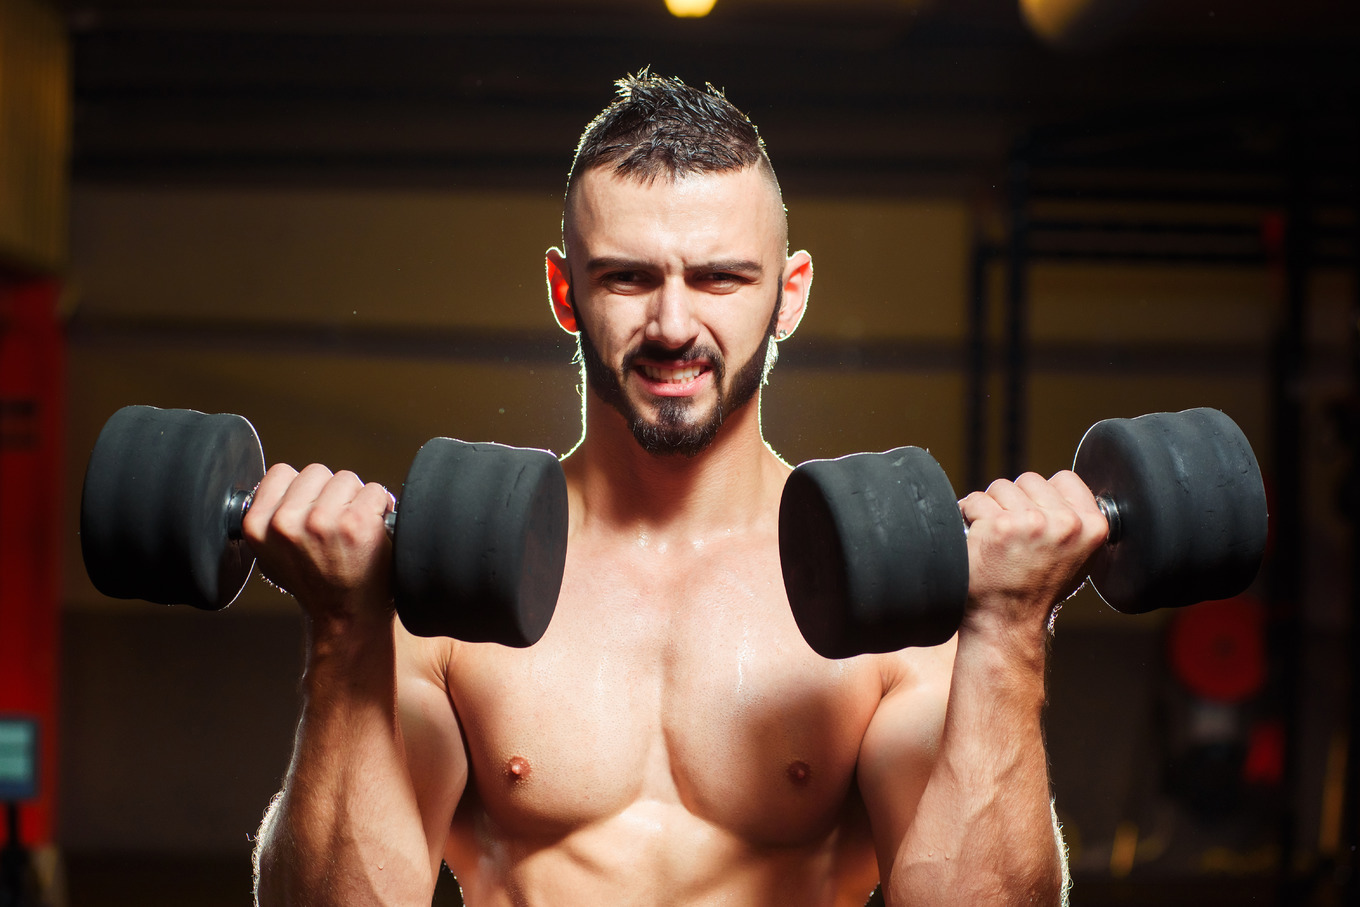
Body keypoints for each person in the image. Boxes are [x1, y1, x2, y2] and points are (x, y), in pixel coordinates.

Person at [248, 71, 1109, 906]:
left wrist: (1008, 629)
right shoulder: (451, 601)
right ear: (565, 291)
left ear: (790, 295)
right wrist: (342, 633)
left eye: (720, 278)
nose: (672, 324)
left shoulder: (881, 609)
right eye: (628, 276)